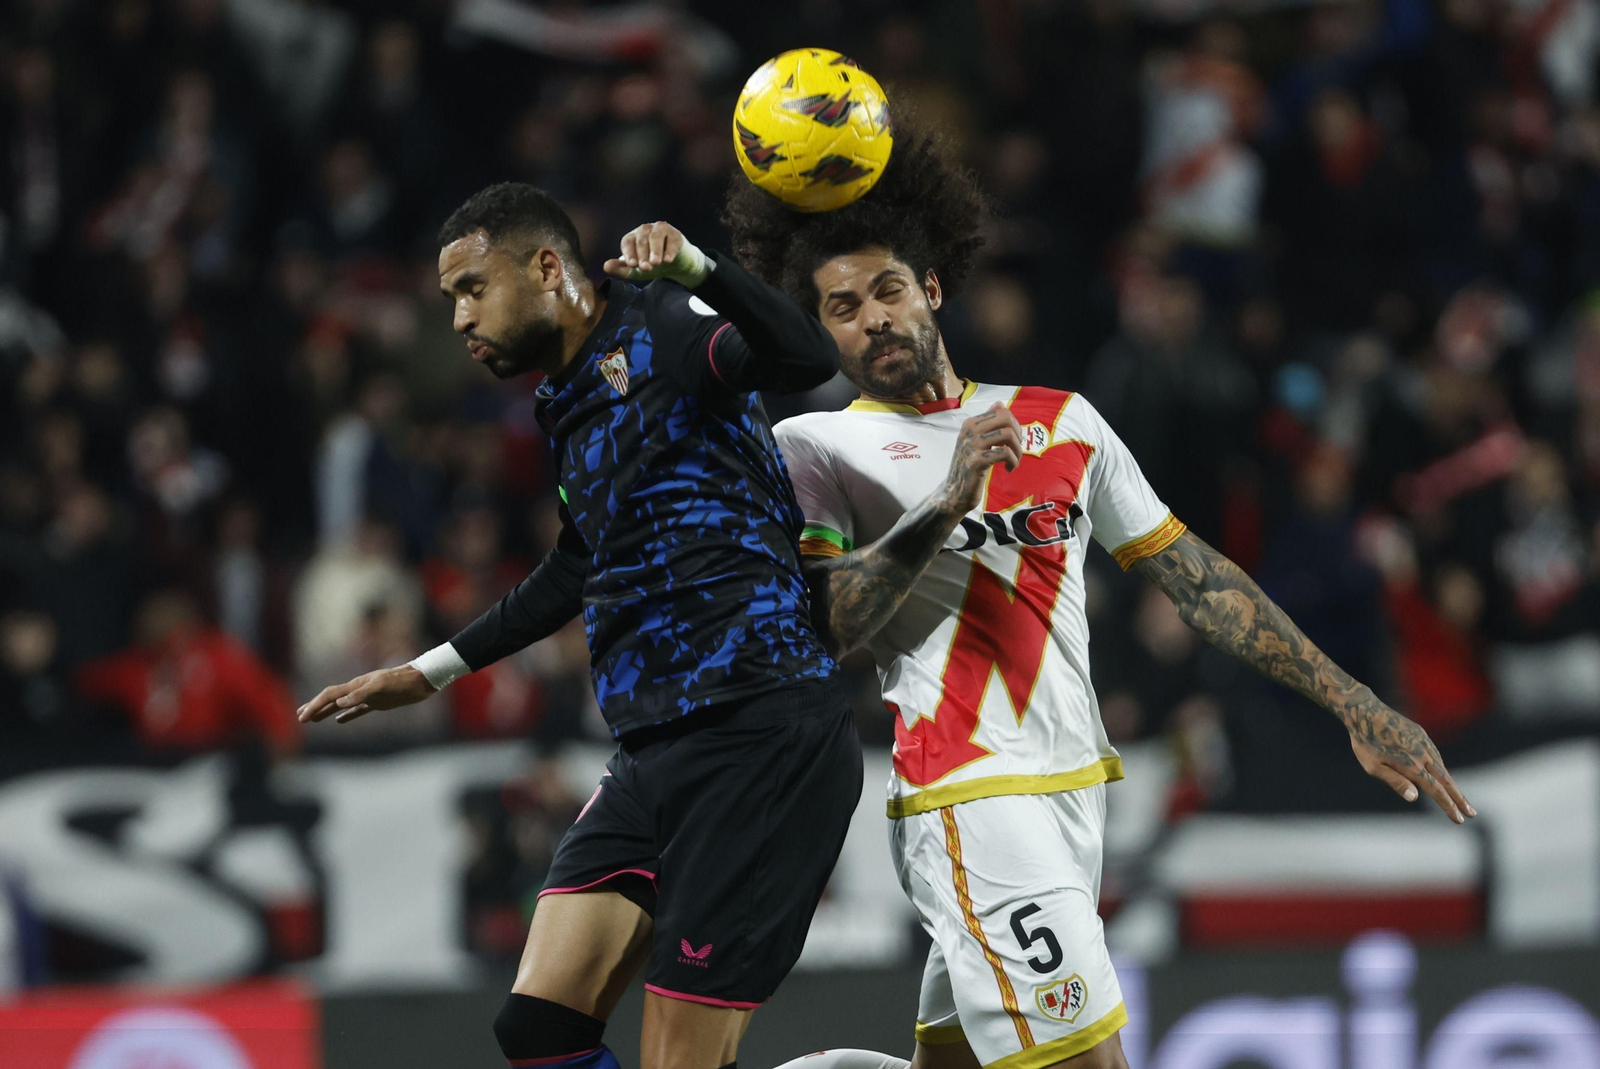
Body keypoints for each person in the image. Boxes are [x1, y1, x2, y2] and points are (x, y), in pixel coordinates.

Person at [722, 128, 1475, 1069]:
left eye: (887, 290)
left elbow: (1198, 580)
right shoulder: (818, 446)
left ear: (933, 289)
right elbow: (828, 623)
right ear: (822, 332)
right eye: (842, 308)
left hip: (1077, 792)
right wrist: (949, 499)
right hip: (969, 793)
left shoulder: (1062, 421)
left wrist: (1354, 700)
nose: (872, 318)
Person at [297, 183, 863, 1069]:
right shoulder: (563, 398)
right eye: (451, 298)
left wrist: (699, 267)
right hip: (652, 749)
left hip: (756, 731)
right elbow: (580, 560)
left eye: (472, 288)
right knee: (538, 1031)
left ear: (545, 267)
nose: (459, 318)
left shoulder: (664, 322)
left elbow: (803, 355)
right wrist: (428, 671)